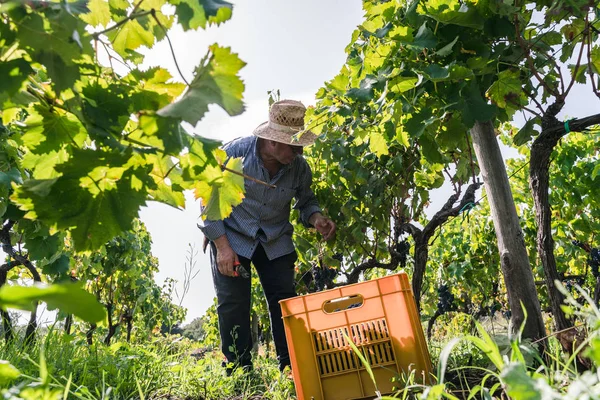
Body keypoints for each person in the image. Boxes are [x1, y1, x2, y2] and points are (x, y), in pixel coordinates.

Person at [198, 99, 336, 373]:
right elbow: (207, 201)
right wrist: (222, 247)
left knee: (285, 301)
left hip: (275, 239)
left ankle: (291, 367)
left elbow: (306, 201)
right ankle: (238, 369)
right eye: (293, 145)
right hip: (233, 236)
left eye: (300, 145)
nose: (298, 151)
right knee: (233, 302)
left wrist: (317, 218)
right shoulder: (233, 155)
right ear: (272, 142)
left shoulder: (299, 168)